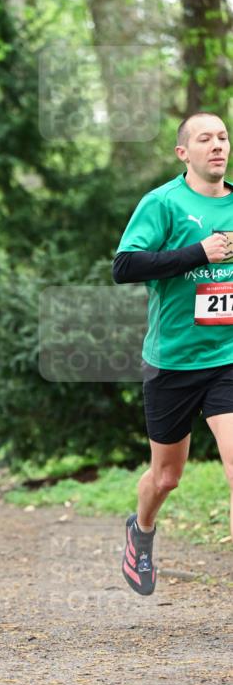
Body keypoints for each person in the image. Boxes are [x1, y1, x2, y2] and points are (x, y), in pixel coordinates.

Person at [113, 112, 233, 595]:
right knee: (166, 478)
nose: (217, 145)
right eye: (204, 139)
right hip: (173, 362)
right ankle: (140, 532)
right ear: (184, 153)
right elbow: (125, 266)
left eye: (223, 137)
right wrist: (198, 253)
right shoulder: (162, 204)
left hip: (227, 357)